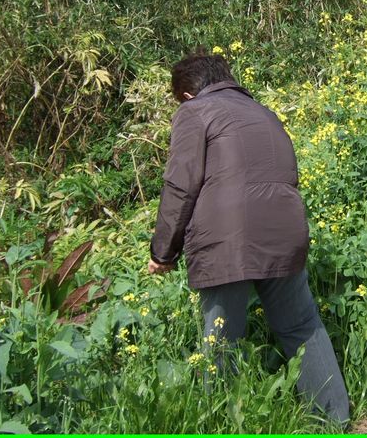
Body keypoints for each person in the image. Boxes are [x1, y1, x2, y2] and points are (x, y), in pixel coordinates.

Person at [147, 52, 350, 425]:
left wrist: (163, 252)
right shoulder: (264, 113)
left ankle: (221, 423)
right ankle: (334, 420)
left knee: (220, 338)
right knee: (301, 324)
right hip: (285, 230)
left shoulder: (196, 113)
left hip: (227, 239)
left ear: (188, 94)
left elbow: (181, 185)